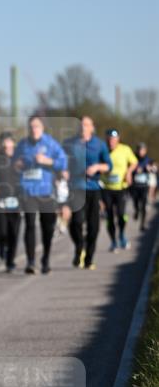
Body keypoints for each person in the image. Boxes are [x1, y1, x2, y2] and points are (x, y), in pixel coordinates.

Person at [14, 114, 67, 274]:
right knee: (30, 224)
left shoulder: (51, 144)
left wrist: (47, 161)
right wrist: (18, 164)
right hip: (28, 190)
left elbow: (63, 162)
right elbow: (14, 163)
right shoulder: (22, 145)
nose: (33, 129)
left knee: (47, 227)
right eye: (31, 127)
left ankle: (45, 258)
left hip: (46, 190)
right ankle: (30, 262)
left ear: (42, 128)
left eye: (36, 126)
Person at [62, 117, 111, 269]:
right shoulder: (69, 143)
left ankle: (89, 259)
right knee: (76, 222)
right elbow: (61, 161)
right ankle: (79, 246)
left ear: (92, 127)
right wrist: (63, 170)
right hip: (76, 187)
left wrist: (97, 167)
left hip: (93, 189)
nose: (83, 127)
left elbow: (108, 165)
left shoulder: (99, 144)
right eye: (81, 124)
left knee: (93, 226)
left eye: (86, 125)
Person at [0, 132, 22, 272]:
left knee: (14, 232)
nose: (6, 144)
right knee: (1, 231)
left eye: (9, 141)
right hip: (0, 199)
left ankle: (10, 261)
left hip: (16, 198)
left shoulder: (19, 157)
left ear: (13, 143)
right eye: (4, 142)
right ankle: (4, 245)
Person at [100, 129, 137, 251]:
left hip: (121, 188)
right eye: (109, 139)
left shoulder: (125, 149)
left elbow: (134, 162)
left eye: (114, 139)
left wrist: (129, 172)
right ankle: (113, 241)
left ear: (118, 139)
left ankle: (121, 234)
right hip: (106, 188)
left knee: (121, 214)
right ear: (106, 139)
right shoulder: (102, 150)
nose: (111, 142)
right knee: (109, 216)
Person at [130, 143, 155, 232]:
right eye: (140, 150)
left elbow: (154, 170)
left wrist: (149, 169)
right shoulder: (133, 158)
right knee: (135, 202)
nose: (141, 152)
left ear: (145, 151)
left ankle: (142, 224)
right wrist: (134, 170)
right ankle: (136, 211)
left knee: (143, 205)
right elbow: (129, 169)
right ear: (137, 150)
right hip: (135, 186)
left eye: (143, 150)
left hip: (144, 186)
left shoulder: (149, 160)